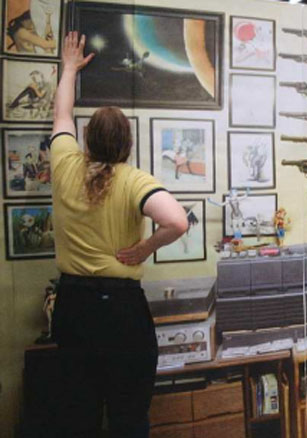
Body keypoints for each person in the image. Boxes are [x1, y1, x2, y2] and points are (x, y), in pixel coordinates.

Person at [49, 32, 188, 438]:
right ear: (127, 144)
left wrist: (70, 68)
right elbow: (178, 222)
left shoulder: (64, 164)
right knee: (129, 417)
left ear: (87, 139)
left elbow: (61, 114)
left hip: (74, 305)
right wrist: (145, 248)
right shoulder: (133, 180)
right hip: (121, 313)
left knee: (80, 415)